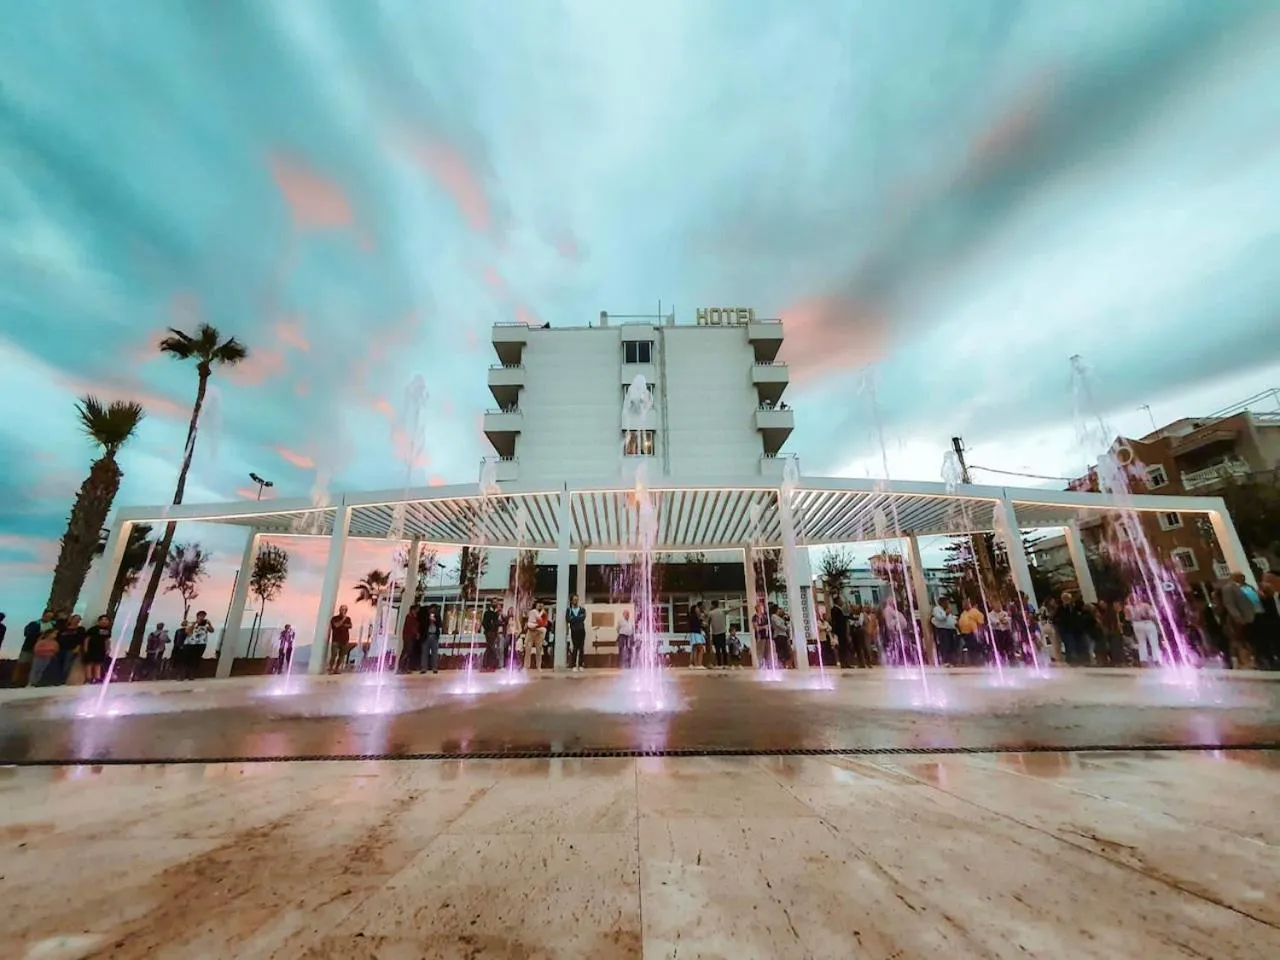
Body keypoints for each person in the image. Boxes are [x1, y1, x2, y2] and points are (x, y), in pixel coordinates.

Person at [1126, 595, 1161, 666]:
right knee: (1153, 642)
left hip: (1136, 624)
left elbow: (1128, 618)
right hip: (1147, 623)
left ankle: (1143, 661)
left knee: (1141, 643)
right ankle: (1156, 660)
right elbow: (1152, 615)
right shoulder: (1145, 605)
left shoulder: (1127, 607)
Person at [80, 614, 112, 684]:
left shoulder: (108, 631)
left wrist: (108, 649)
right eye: (103, 620)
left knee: (98, 663)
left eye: (106, 620)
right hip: (91, 648)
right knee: (89, 663)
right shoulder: (93, 629)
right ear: (99, 621)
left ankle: (97, 678)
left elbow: (107, 640)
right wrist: (85, 648)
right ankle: (88, 678)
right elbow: (87, 639)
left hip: (101, 649)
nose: (104, 621)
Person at [957, 599, 985, 666]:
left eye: (966, 603)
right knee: (969, 648)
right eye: (963, 604)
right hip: (965, 634)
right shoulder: (963, 613)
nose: (964, 605)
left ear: (969, 604)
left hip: (974, 633)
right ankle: (972, 662)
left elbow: (980, 622)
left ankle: (978, 662)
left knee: (975, 648)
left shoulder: (975, 611)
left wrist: (979, 632)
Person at [327, 605, 354, 674]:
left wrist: (344, 624)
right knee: (334, 654)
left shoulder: (348, 619)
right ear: (339, 610)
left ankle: (337, 669)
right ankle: (330, 668)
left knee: (341, 656)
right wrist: (343, 621)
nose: (343, 611)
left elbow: (350, 625)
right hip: (336, 640)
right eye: (342, 609)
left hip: (345, 640)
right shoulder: (334, 618)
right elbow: (336, 625)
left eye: (345, 610)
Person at [931, 598, 958, 666]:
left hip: (951, 630)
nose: (948, 604)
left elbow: (950, 618)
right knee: (945, 645)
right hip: (943, 630)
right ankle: (946, 661)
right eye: (947, 602)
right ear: (942, 602)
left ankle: (952, 661)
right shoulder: (937, 609)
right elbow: (939, 618)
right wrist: (946, 613)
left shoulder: (945, 609)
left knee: (952, 645)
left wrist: (955, 619)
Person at [565, 595, 587, 672]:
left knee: (581, 648)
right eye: (574, 600)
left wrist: (573, 618)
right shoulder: (569, 610)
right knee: (575, 647)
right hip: (574, 631)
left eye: (577, 599)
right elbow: (568, 619)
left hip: (581, 630)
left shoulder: (582, 609)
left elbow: (583, 618)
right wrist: (577, 618)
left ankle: (580, 665)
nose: (576, 601)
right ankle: (573, 665)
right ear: (571, 601)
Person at [419, 603, 442, 673]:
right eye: (432, 609)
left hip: (434, 636)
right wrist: (429, 621)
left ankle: (434, 668)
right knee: (425, 652)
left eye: (434, 610)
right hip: (426, 636)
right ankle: (424, 668)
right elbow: (422, 625)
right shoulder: (425, 616)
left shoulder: (437, 616)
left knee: (434, 653)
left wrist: (435, 621)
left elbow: (440, 624)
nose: (433, 611)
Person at [482, 599, 503, 671]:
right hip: (489, 633)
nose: (495, 604)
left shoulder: (496, 613)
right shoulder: (487, 612)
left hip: (494, 633)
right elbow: (484, 623)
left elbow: (496, 622)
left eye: (496, 603)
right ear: (491, 603)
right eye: (494, 602)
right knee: (491, 648)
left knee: (490, 648)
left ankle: (488, 665)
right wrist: (489, 630)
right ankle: (486, 665)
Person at [708, 600, 729, 669]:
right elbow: (731, 609)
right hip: (722, 632)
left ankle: (719, 664)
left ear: (713, 605)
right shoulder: (722, 611)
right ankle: (725, 664)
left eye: (711, 605)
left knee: (717, 649)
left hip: (715, 633)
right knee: (723, 648)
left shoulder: (711, 613)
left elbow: (708, 621)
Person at [399, 605, 420, 673]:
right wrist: (416, 633)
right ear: (412, 610)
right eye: (416, 610)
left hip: (410, 636)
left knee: (409, 652)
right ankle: (401, 667)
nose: (417, 611)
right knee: (407, 651)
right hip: (408, 636)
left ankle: (405, 667)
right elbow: (411, 627)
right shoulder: (409, 617)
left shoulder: (413, 617)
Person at [524, 603, 545, 670]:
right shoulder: (532, 611)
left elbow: (544, 622)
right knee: (528, 649)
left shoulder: (543, 613)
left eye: (541, 605)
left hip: (538, 631)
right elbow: (536, 619)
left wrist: (542, 613)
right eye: (538, 604)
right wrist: (541, 612)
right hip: (531, 631)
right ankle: (526, 666)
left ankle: (539, 666)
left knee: (539, 649)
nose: (540, 606)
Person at [829, 599, 850, 668]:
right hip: (840, 632)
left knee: (845, 647)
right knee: (842, 648)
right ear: (837, 602)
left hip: (842, 631)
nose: (842, 602)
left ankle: (846, 662)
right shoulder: (835, 609)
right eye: (841, 601)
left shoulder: (839, 609)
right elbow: (837, 621)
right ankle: (843, 663)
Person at [751, 600, 772, 669]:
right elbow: (756, 628)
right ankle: (760, 666)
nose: (763, 609)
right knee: (760, 651)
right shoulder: (755, 617)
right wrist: (764, 627)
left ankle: (768, 666)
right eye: (761, 607)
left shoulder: (765, 617)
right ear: (758, 609)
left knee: (768, 652)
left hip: (767, 636)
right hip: (760, 637)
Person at [687, 602, 707, 669]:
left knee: (694, 649)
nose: (698, 609)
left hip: (694, 633)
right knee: (701, 649)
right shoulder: (695, 616)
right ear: (695, 610)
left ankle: (694, 664)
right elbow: (701, 622)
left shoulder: (692, 616)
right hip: (696, 633)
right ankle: (699, 664)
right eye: (697, 608)